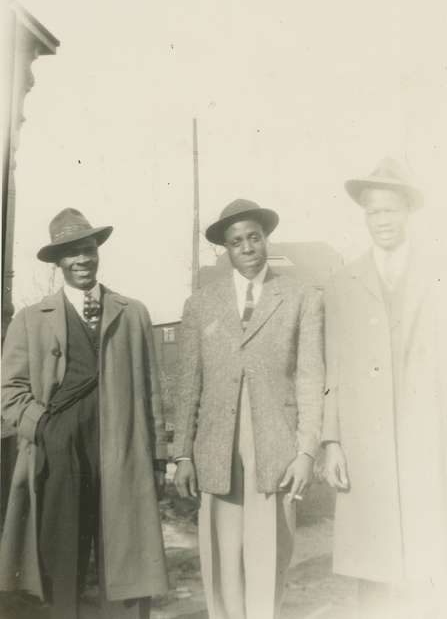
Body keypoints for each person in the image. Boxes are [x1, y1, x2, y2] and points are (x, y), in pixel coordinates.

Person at [0, 208, 168, 619]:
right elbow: (8, 391)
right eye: (72, 253)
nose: (82, 260)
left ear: (98, 252)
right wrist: (44, 427)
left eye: (88, 249)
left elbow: (152, 391)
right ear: (58, 262)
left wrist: (159, 456)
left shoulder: (133, 313)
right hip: (59, 451)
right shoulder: (29, 320)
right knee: (63, 558)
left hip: (121, 449)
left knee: (126, 553)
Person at [321, 158, 447, 617]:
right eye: (373, 213)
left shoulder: (443, 275)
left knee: (431, 560)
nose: (381, 221)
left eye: (390, 211)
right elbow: (333, 370)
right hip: (367, 447)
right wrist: (332, 440)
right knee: (375, 567)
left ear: (408, 212)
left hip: (428, 441)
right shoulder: (343, 283)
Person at [173, 198, 324, 619]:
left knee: (271, 548)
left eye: (254, 237)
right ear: (226, 248)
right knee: (223, 550)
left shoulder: (298, 297)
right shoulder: (202, 303)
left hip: (274, 442)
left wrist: (306, 451)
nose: (247, 247)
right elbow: (188, 385)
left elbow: (312, 377)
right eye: (236, 241)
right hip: (218, 446)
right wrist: (182, 453)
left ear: (265, 239)